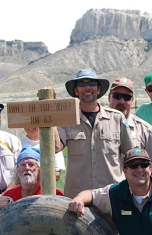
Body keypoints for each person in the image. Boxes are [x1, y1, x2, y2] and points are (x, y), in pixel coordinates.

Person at [55, 69, 135, 199]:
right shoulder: (67, 120)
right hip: (77, 198)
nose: (87, 87)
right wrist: (52, 115)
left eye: (92, 83)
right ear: (76, 91)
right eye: (81, 84)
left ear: (98, 89)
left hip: (112, 196)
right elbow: (55, 147)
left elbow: (130, 154)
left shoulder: (117, 118)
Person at [108, 77, 152, 179]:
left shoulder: (144, 129)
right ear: (109, 97)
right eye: (117, 96)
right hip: (104, 190)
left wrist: (150, 191)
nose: (122, 101)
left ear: (132, 100)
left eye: (127, 97)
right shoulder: (97, 125)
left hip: (134, 192)